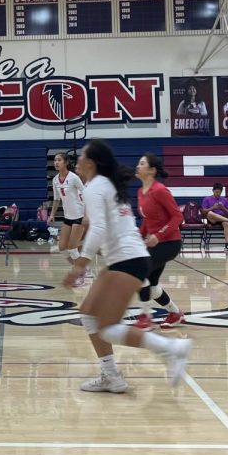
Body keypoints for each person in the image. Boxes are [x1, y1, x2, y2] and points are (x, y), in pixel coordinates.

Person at [61, 140, 191, 393]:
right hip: (125, 258)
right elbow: (97, 222)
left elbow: (98, 227)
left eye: (82, 156)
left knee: (107, 327)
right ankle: (111, 376)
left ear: (92, 162)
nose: (77, 160)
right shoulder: (102, 185)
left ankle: (173, 349)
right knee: (88, 314)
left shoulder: (96, 186)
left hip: (128, 259)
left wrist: (80, 264)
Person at [133, 153, 186, 329]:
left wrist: (159, 235)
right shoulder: (141, 192)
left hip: (170, 243)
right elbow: (148, 220)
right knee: (152, 285)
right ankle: (175, 313)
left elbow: (178, 216)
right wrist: (139, 238)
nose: (138, 166)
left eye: (142, 163)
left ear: (151, 170)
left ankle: (145, 317)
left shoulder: (160, 190)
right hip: (155, 243)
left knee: (139, 273)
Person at [48, 152, 86, 266]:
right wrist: (52, 215)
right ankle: (79, 268)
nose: (56, 162)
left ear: (66, 162)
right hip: (68, 217)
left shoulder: (74, 178)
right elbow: (56, 199)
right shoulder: (55, 180)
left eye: (59, 160)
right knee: (62, 249)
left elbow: (86, 193)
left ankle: (82, 272)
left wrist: (88, 214)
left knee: (72, 248)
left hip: (79, 215)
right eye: (55, 160)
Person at [201, 183, 228, 250]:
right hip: (212, 219)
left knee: (226, 223)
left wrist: (223, 208)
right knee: (210, 213)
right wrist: (213, 207)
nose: (218, 194)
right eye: (216, 192)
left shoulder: (225, 200)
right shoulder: (207, 199)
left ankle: (227, 244)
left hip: (222, 218)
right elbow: (203, 212)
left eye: (219, 192)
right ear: (213, 191)